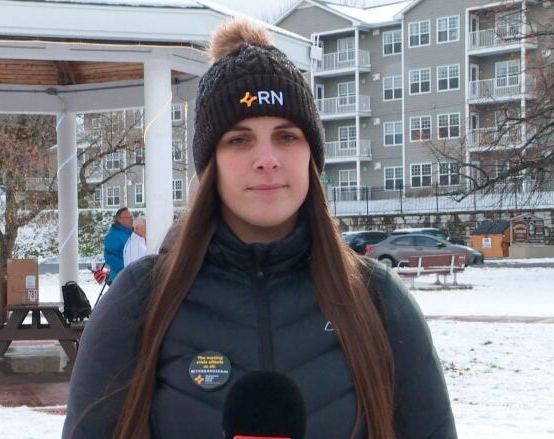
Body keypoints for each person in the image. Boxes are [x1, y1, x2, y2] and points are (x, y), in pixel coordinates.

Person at [64, 18, 456, 439]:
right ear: (210, 163)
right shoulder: (140, 301)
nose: (267, 159)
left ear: (311, 155)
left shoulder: (379, 302)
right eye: (240, 139)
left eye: (286, 137)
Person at [103, 207, 133, 285]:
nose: (131, 219)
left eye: (132, 216)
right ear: (119, 220)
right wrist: (127, 268)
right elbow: (110, 258)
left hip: (132, 276)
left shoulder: (133, 232)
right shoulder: (113, 235)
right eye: (128, 217)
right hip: (120, 279)